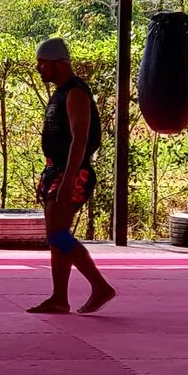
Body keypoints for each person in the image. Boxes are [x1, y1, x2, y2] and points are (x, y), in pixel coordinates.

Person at [30, 37, 116, 314]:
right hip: (56, 169)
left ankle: (100, 285)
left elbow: (80, 139)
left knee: (58, 235)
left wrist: (68, 179)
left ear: (60, 64)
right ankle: (59, 297)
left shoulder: (76, 92)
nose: (39, 68)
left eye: (43, 63)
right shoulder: (60, 92)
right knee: (56, 236)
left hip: (72, 171)